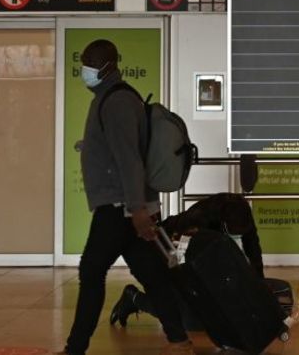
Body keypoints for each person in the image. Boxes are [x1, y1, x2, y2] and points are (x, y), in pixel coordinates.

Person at [58, 39, 193, 355]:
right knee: (152, 273)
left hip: (121, 207)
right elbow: (118, 149)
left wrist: (137, 210)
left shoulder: (117, 101)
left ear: (107, 67)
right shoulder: (110, 97)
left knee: (91, 270)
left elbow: (129, 159)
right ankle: (179, 339)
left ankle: (75, 348)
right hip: (129, 206)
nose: (85, 69)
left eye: (90, 63)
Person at [109, 192, 266, 327]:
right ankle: (134, 298)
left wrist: (259, 283)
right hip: (167, 245)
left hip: (195, 251)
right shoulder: (198, 219)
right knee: (186, 317)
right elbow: (181, 258)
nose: (237, 236)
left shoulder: (243, 213)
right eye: (232, 232)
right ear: (223, 224)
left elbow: (252, 246)